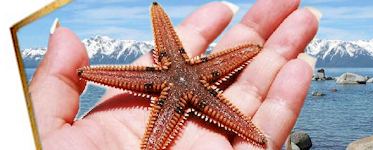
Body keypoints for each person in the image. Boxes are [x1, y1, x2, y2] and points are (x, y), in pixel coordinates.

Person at [29, 0, 319, 149]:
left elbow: (235, 113)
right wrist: (91, 72)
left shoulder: (180, 69)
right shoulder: (174, 71)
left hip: (185, 86)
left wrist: (252, 132)